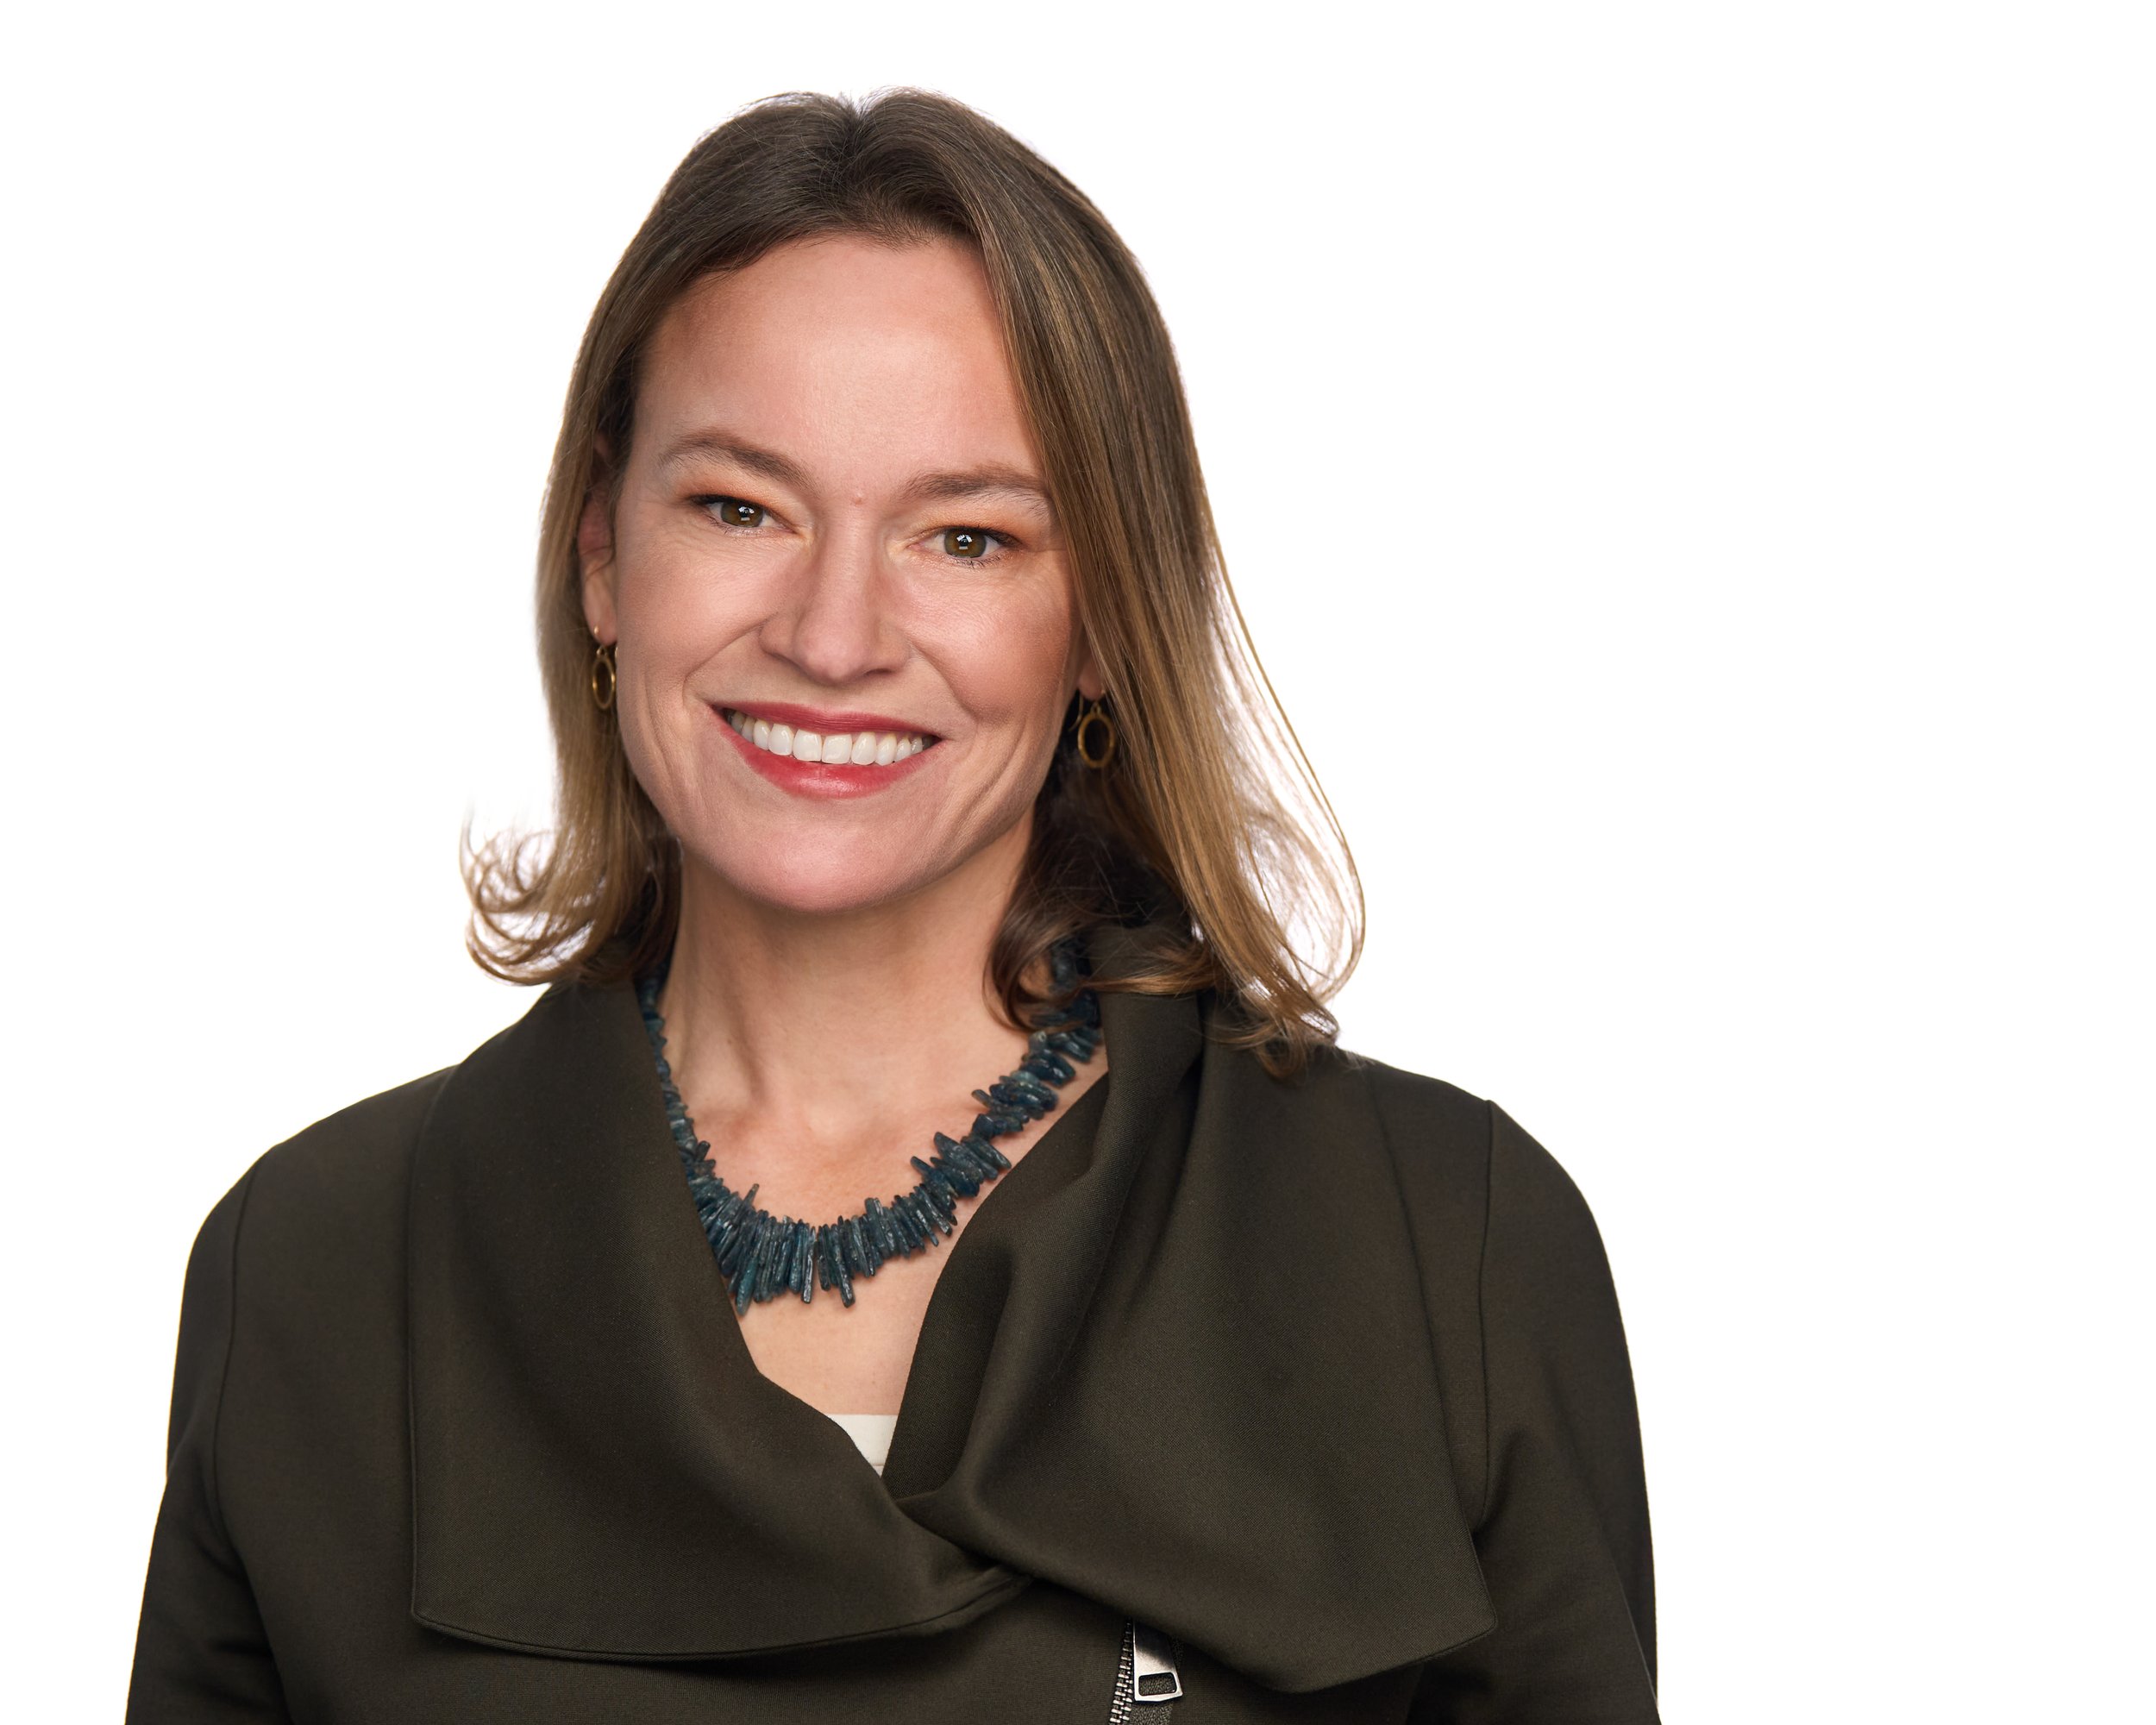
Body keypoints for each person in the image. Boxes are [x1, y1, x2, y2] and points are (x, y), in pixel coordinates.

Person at [126, 88, 1658, 1723]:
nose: (837, 633)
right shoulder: (314, 1275)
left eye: (967, 537)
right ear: (598, 556)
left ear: (1103, 623)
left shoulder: (1445, 1254)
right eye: (737, 507)